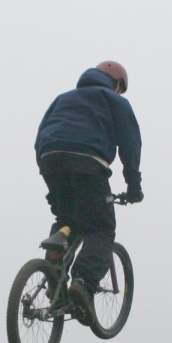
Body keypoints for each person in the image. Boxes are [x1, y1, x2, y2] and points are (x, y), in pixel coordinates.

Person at [35, 60, 143, 325]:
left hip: (50, 159)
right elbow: (130, 144)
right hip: (87, 162)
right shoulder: (113, 100)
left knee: (67, 219)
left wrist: (51, 180)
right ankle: (83, 283)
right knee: (100, 228)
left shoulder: (63, 98)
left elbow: (40, 136)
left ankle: (54, 277)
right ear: (117, 83)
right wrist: (134, 186)